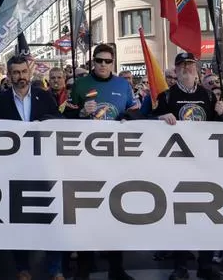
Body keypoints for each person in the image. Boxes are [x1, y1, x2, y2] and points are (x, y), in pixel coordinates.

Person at [0, 55, 65, 280]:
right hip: (15, 169)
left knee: (51, 217)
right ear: (9, 74)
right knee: (19, 219)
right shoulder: (0, 101)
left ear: (29, 73)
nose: (20, 77)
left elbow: (57, 122)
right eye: (15, 73)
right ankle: (23, 268)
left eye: (24, 72)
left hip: (43, 167)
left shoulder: (44, 96)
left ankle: (56, 269)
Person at [67, 43, 136, 280]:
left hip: (116, 159)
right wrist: (81, 113)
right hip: (86, 160)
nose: (103, 65)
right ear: (92, 61)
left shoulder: (123, 85)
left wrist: (126, 118)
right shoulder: (81, 84)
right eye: (99, 61)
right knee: (87, 212)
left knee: (116, 212)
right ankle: (84, 268)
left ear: (113, 62)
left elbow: (136, 110)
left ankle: (116, 268)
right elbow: (63, 117)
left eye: (108, 61)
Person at [155, 53, 223, 280]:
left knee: (207, 214)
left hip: (205, 164)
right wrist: (159, 119)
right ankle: (181, 266)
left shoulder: (208, 95)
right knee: (180, 217)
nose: (187, 69)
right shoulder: (166, 96)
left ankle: (205, 265)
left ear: (196, 68)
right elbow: (147, 123)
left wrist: (222, 114)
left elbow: (221, 129)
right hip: (177, 164)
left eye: (190, 65)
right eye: (182, 65)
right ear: (175, 70)